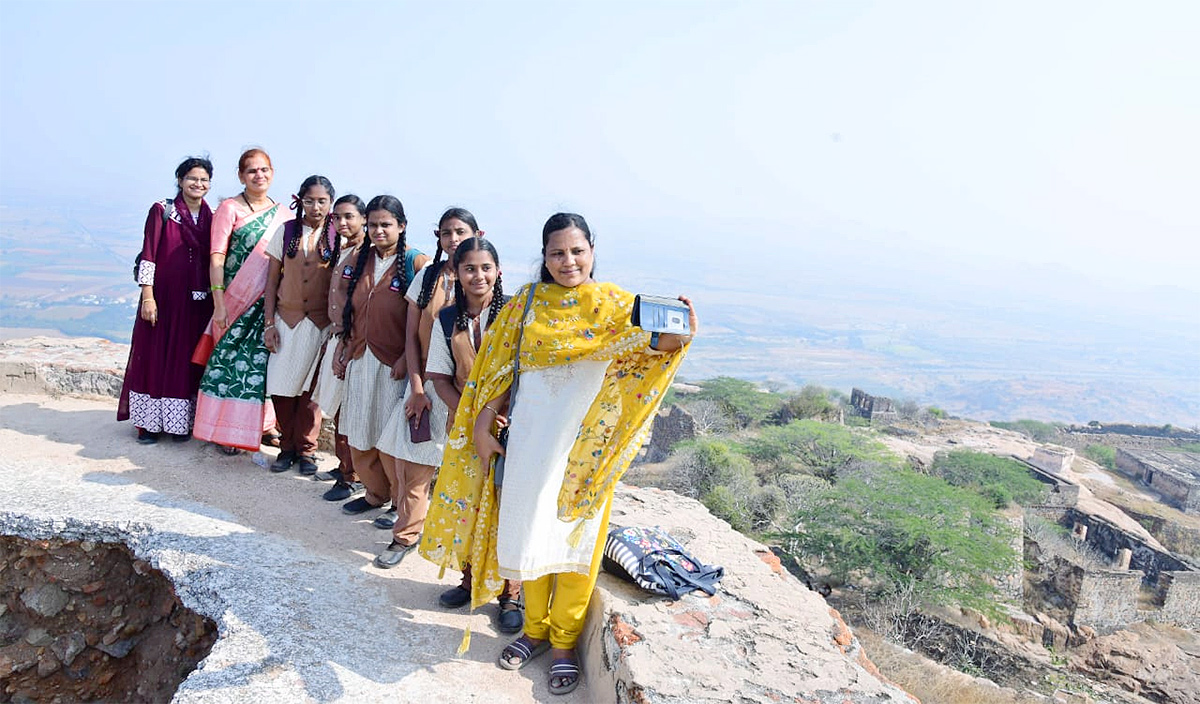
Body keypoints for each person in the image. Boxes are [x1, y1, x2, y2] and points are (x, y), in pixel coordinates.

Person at [418, 213, 696, 695]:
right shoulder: (527, 304)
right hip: (529, 441)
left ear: (592, 251)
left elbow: (660, 348)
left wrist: (683, 325)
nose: (568, 261)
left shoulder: (615, 305)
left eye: (576, 251)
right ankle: (535, 631)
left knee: (574, 544)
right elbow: (497, 370)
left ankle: (565, 642)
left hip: (586, 447)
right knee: (529, 535)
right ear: (543, 257)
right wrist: (484, 425)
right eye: (556, 253)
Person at [422, 238, 524, 633]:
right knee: (469, 506)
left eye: (486, 267)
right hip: (465, 432)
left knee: (506, 509)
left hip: (514, 428)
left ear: (498, 271)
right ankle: (468, 580)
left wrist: (505, 416)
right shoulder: (447, 320)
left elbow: (528, 372)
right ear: (457, 273)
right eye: (469, 268)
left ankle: (509, 593)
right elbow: (438, 375)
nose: (478, 275)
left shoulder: (516, 315)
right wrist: (467, 417)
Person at [373, 209, 480, 569]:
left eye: (460, 232)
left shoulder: (482, 280)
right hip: (426, 387)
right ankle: (406, 533)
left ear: (476, 234)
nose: (453, 239)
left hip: (467, 391)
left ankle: (453, 551)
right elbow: (412, 335)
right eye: (447, 233)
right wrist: (416, 386)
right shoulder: (429, 276)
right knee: (408, 461)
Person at [332, 195, 428, 522]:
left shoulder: (416, 264)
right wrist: (343, 349)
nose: (378, 230)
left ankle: (398, 505)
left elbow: (424, 321)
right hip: (361, 357)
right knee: (359, 432)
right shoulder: (361, 259)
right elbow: (350, 309)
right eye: (373, 224)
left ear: (401, 226)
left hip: (395, 365)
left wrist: (405, 358)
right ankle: (374, 494)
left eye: (386, 224)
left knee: (390, 440)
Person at [192, 148, 292, 453]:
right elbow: (217, 256)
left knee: (263, 367)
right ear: (241, 176)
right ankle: (224, 430)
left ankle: (262, 426)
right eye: (252, 171)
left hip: (270, 306)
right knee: (230, 365)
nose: (259, 176)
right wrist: (219, 303)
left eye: (264, 170)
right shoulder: (230, 209)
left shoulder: (284, 214)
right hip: (235, 303)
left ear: (272, 173)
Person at [117, 156, 216, 443]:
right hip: (163, 299)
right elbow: (149, 254)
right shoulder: (163, 210)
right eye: (192, 178)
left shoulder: (211, 217)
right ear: (180, 180)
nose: (198, 184)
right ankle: (149, 425)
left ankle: (178, 424)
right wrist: (148, 296)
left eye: (204, 180)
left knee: (187, 360)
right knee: (155, 356)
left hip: (198, 302)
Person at [262, 175, 338, 475]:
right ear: (299, 201)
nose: (316, 207)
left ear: (330, 202)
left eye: (322, 201)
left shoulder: (336, 234)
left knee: (311, 393)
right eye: (310, 201)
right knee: (282, 387)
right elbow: (271, 281)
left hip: (320, 324)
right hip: (287, 320)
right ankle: (287, 447)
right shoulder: (287, 231)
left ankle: (307, 450)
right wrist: (269, 323)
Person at [312, 194, 367, 501]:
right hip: (336, 336)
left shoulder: (365, 255)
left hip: (350, 341)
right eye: (338, 218)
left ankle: (351, 476)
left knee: (346, 411)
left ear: (362, 220)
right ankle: (344, 467)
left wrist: (346, 343)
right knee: (335, 407)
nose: (343, 223)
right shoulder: (343, 249)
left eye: (349, 217)